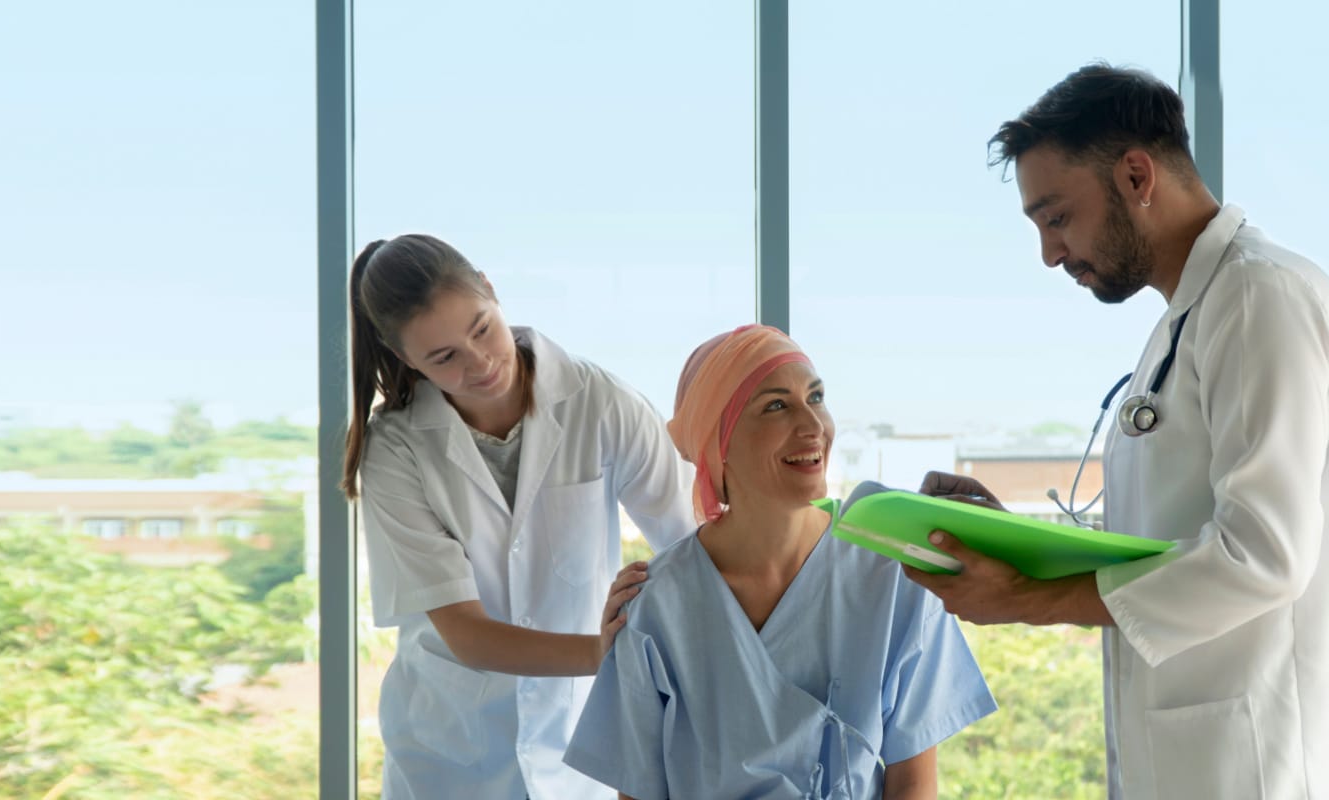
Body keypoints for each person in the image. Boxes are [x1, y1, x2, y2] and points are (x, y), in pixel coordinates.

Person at [907, 64, 1329, 799]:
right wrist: (1021, 552)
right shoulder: (1187, 319)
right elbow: (1162, 542)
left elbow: (1265, 554)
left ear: (1136, 175)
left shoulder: (1259, 296)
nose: (1048, 253)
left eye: (1057, 216)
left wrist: (1028, 603)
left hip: (1255, 765)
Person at [563, 324, 996, 800]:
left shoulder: (894, 578)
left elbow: (913, 784)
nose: (813, 426)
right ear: (717, 442)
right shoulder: (656, 608)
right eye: (775, 405)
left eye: (816, 397)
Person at [342, 234, 698, 800]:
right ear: (408, 358)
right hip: (450, 756)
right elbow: (469, 635)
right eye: (444, 358)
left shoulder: (600, 402)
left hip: (579, 752)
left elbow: (695, 542)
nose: (479, 363)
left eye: (481, 328)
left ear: (490, 289)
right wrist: (608, 654)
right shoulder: (395, 449)